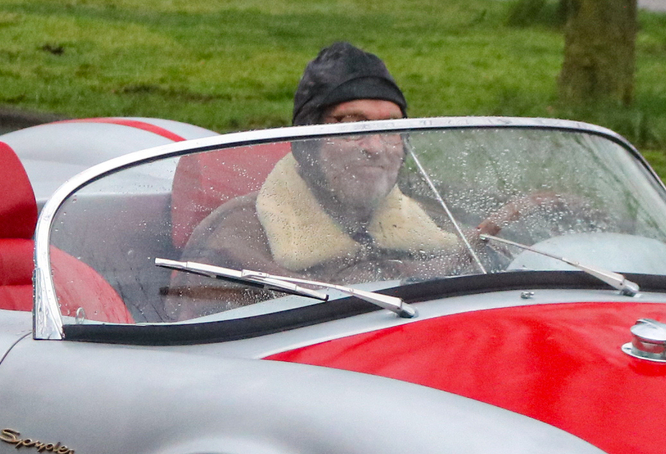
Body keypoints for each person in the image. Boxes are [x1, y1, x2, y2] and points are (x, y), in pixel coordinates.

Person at [167, 43, 465, 317]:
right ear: (309, 142)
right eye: (351, 125)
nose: (375, 147)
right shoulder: (235, 239)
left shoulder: (439, 226)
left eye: (391, 128)